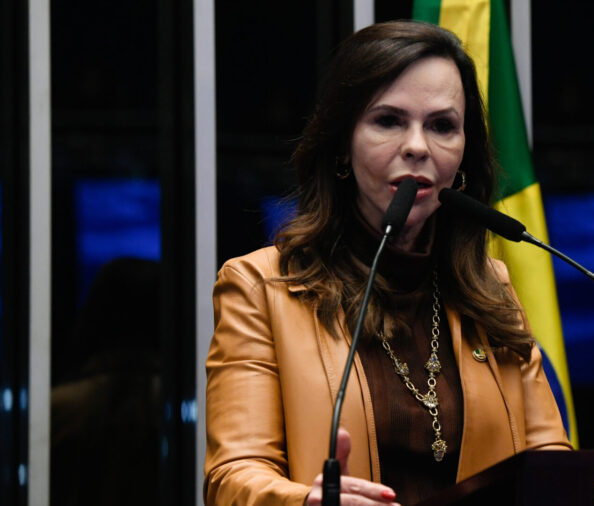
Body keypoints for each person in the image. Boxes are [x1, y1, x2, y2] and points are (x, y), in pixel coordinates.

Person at [204, 20, 571, 506]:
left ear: (463, 157)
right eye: (388, 121)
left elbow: (551, 465)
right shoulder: (259, 287)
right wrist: (305, 502)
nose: (418, 146)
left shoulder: (491, 289)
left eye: (442, 125)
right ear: (342, 144)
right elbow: (232, 477)